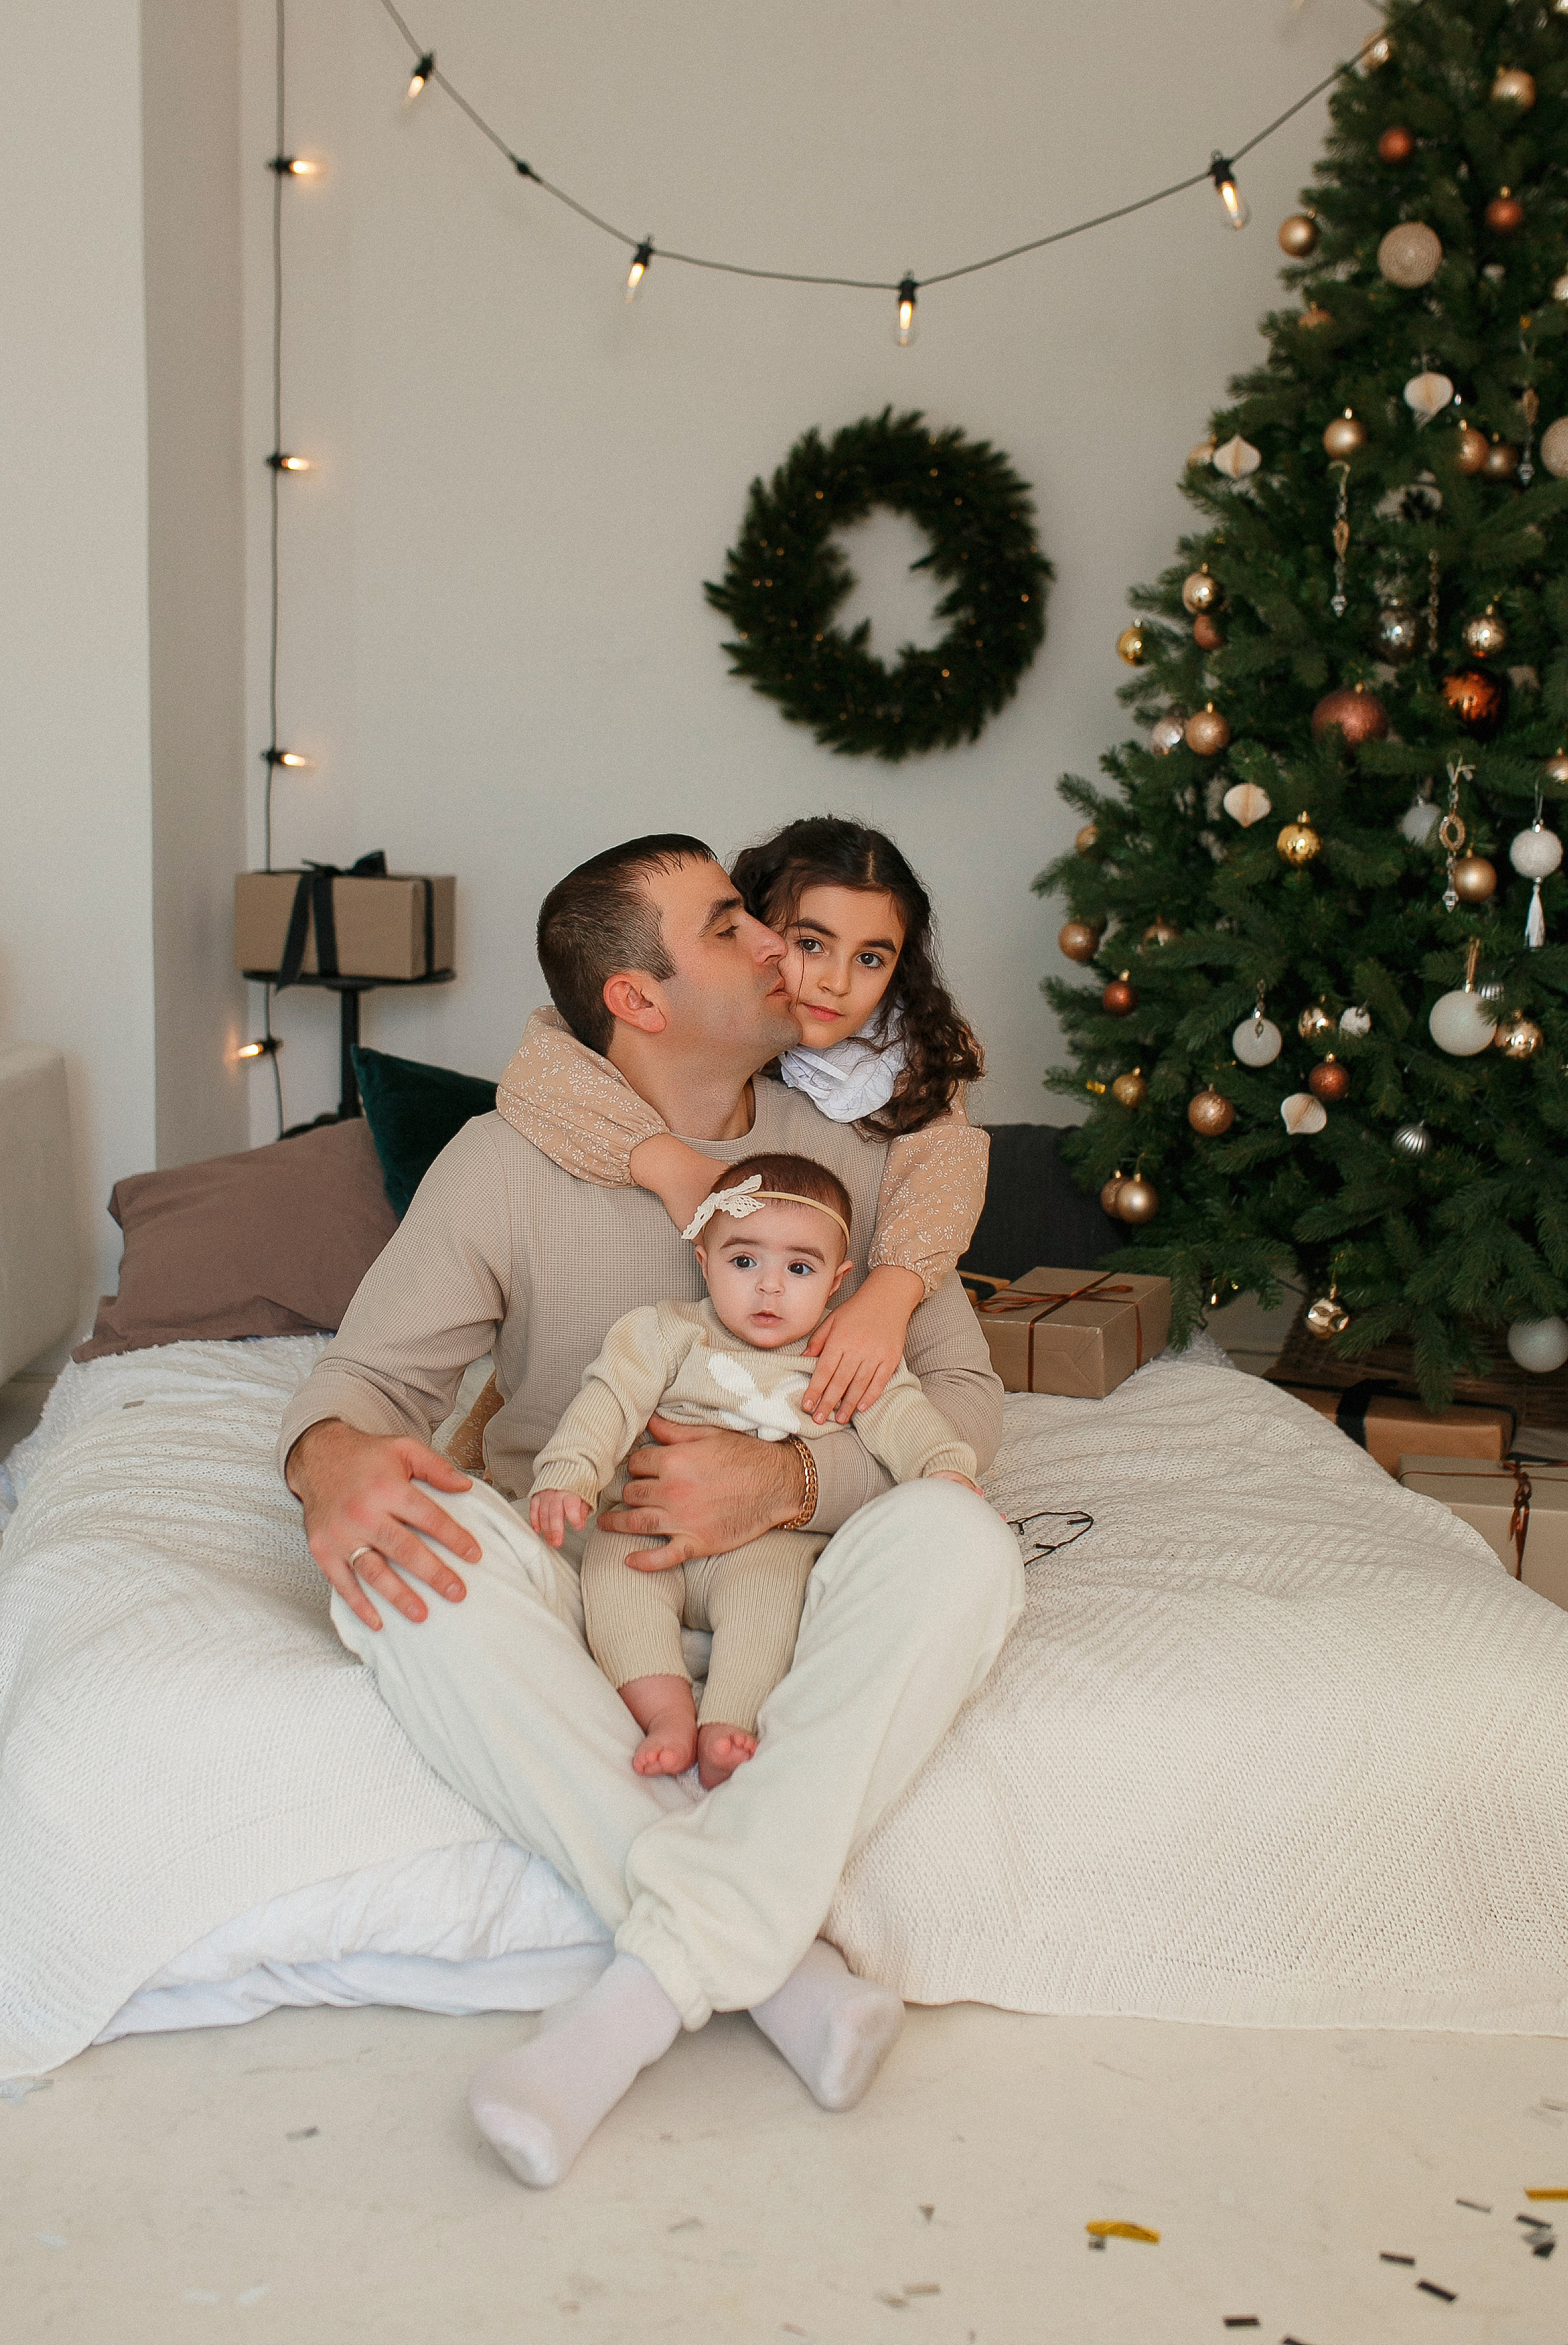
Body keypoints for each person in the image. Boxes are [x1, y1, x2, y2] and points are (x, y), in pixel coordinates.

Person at [278, 834, 1021, 2189]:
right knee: (389, 1569)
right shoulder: (505, 1162)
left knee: (964, 1542)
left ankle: (630, 2007)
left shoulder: (859, 1162)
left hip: (801, 1574)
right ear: (638, 998)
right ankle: (775, 1967)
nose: (780, 946)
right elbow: (371, 1380)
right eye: (737, 925)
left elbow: (964, 1399)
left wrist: (798, 1480)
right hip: (581, 1564)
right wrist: (329, 1459)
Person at [499, 816, 989, 1432]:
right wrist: (667, 1163)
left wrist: (890, 1294)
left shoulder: (897, 1065)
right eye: (810, 945)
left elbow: (947, 1166)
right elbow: (541, 1068)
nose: (836, 983)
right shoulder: (717, 1027)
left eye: (870, 958)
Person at [529, 1150, 979, 1789]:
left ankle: (728, 1724)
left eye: (799, 1267)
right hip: (648, 1521)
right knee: (611, 1574)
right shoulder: (666, 1334)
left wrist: (944, 1471)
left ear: (837, 1281)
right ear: (704, 1261)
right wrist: (566, 1475)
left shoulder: (839, 1354)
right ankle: (666, 1715)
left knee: (774, 1605)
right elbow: (607, 1401)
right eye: (744, 1262)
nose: (769, 1286)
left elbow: (904, 1415)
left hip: (765, 1545)